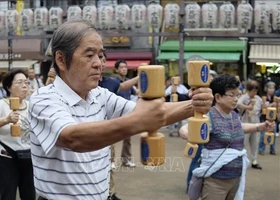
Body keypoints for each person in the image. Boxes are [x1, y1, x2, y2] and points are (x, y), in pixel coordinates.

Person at [29, 18, 213, 200]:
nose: (99, 63)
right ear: (61, 59)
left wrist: (194, 104)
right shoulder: (43, 98)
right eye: (89, 55)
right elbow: (73, 138)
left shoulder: (100, 95)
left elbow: (152, 113)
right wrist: (138, 121)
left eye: (101, 56)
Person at [180, 74, 274, 200]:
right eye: (231, 95)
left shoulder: (233, 115)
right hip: (215, 181)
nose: (236, 99)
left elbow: (240, 127)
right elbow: (186, 127)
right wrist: (188, 134)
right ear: (218, 97)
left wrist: (261, 126)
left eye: (237, 95)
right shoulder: (209, 116)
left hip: (235, 179)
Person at [0, 69, 35, 200]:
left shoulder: (31, 106)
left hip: (28, 156)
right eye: (19, 82)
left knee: (29, 194)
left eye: (26, 82)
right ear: (9, 87)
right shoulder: (1, 104)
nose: (25, 85)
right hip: (7, 155)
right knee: (8, 194)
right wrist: (6, 120)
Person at [99, 53, 138, 200]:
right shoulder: (81, 84)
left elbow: (124, 87)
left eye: (102, 60)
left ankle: (110, 193)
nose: (99, 63)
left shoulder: (110, 83)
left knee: (108, 163)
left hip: (111, 126)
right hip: (90, 133)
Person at [181, 70, 218, 192]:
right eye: (208, 77)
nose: (210, 79)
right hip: (198, 128)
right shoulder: (196, 91)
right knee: (196, 160)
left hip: (210, 130)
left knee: (204, 161)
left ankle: (201, 186)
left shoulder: (216, 93)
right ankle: (189, 185)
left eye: (212, 77)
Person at [114, 59, 138, 167]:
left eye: (125, 67)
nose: (124, 69)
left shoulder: (130, 82)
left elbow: (137, 92)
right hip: (115, 112)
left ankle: (126, 159)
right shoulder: (113, 82)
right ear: (116, 69)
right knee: (111, 138)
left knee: (127, 138)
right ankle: (111, 161)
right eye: (121, 67)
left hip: (127, 112)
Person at [237, 80, 263, 170]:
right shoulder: (244, 98)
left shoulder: (258, 99)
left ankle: (254, 160)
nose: (255, 92)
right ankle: (241, 160)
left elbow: (262, 108)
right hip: (245, 122)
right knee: (243, 142)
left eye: (256, 90)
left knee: (255, 142)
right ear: (249, 90)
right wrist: (246, 107)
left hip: (256, 122)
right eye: (253, 90)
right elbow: (237, 104)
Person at [259, 81, 277, 155]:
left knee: (274, 135)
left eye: (273, 88)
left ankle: (272, 150)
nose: (271, 90)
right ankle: (261, 149)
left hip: (273, 118)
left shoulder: (275, 97)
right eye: (270, 88)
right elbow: (263, 106)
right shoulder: (263, 97)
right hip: (264, 118)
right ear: (266, 89)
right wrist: (272, 104)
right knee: (263, 135)